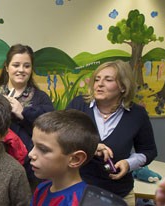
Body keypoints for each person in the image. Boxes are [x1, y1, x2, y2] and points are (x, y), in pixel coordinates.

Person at [67, 60, 157, 206]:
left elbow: (149, 150)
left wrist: (129, 164)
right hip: (78, 190)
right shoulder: (78, 105)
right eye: (97, 79)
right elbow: (59, 136)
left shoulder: (137, 114)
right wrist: (91, 146)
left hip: (119, 193)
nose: (99, 84)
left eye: (108, 79)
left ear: (123, 86)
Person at [0, 44, 54, 191]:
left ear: (31, 69)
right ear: (7, 67)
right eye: (16, 65)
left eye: (26, 66)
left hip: (30, 170)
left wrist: (23, 112)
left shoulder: (41, 98)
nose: (21, 70)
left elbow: (51, 131)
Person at [29, 110, 100, 206]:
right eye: (33, 145)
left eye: (43, 149)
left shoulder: (80, 202)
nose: (31, 154)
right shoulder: (42, 189)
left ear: (75, 159)